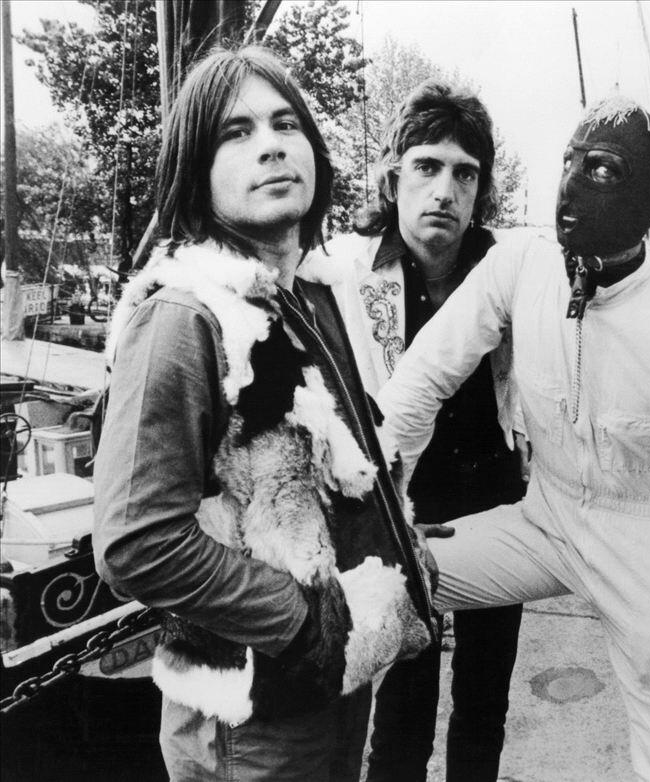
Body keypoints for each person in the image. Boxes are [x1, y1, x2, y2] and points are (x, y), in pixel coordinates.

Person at [92, 46, 436, 781]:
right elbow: (134, 543)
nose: (271, 145)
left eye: (286, 124)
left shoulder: (311, 296)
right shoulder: (182, 319)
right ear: (196, 171)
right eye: (236, 132)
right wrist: (308, 622)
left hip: (333, 687)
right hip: (248, 720)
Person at [376, 95, 650, 782]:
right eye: (570, 161)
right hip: (542, 522)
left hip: (647, 552)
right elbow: (420, 381)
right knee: (386, 577)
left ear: (649, 200)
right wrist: (377, 511)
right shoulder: (520, 263)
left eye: (601, 169)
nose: (571, 186)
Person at [325, 80, 526, 782]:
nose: (444, 190)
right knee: (403, 705)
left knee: (485, 700)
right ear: (393, 178)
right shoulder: (348, 270)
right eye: (427, 167)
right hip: (399, 507)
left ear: (481, 189)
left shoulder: (507, 268)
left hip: (494, 500)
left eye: (464, 173)